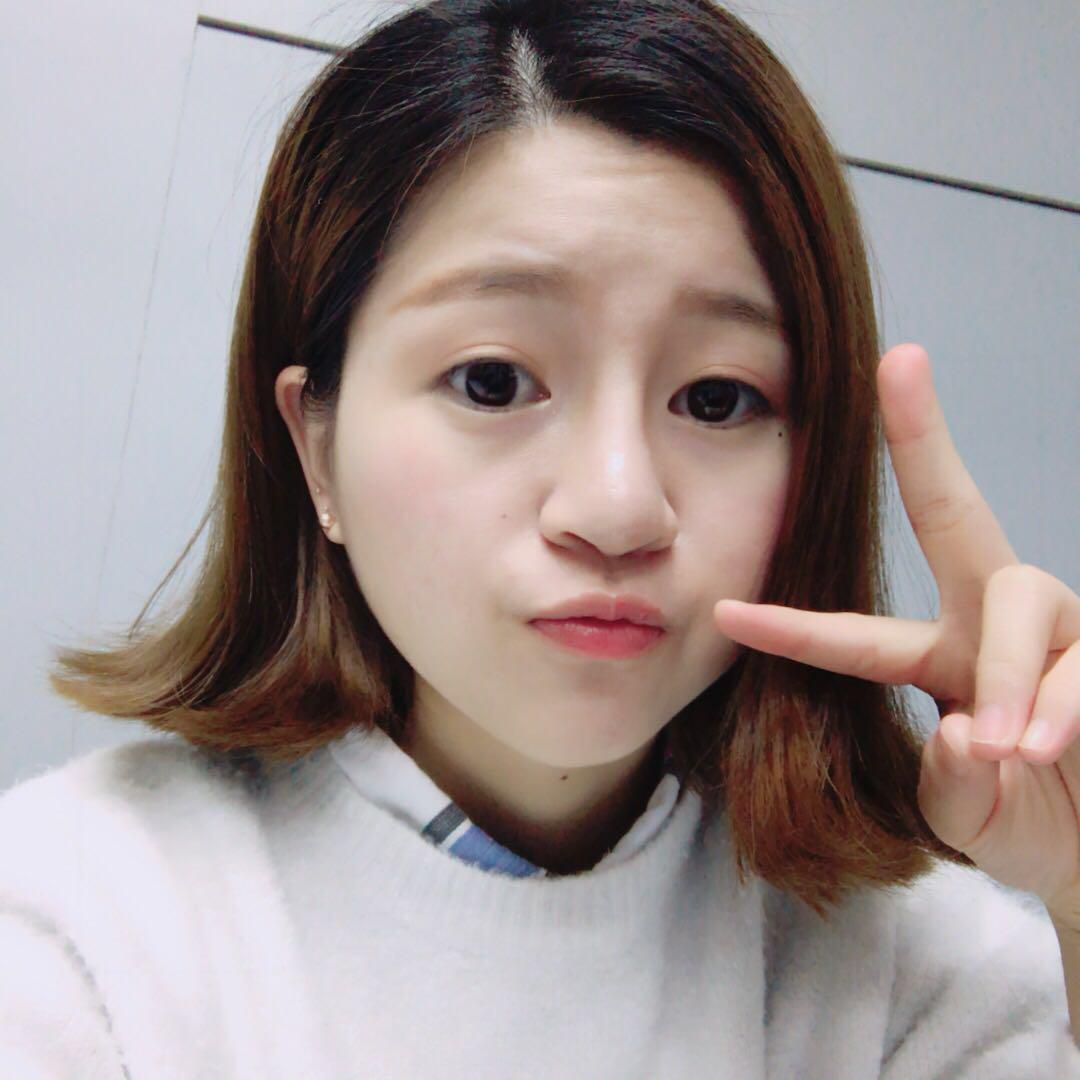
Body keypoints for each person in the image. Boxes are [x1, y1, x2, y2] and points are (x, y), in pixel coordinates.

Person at [2, 0, 1078, 1075]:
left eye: (714, 399)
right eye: (492, 381)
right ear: (315, 443)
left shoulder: (920, 970)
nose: (617, 508)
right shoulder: (80, 926)